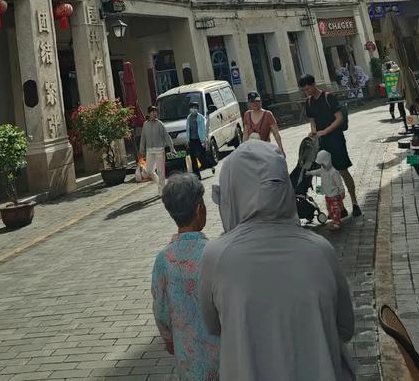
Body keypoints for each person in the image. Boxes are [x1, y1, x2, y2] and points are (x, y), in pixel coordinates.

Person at [199, 140, 355, 380]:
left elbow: (213, 326)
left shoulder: (216, 256)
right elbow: (345, 327)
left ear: (232, 191)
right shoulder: (321, 250)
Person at [151, 174, 220, 380]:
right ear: (200, 209)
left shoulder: (164, 259)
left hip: (187, 357)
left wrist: (169, 341)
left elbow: (160, 309)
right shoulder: (215, 253)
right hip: (222, 356)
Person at [299, 73, 361, 218]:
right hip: (321, 143)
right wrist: (314, 132)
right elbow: (312, 121)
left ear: (314, 84)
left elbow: (339, 118)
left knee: (343, 170)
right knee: (327, 173)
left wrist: (325, 131)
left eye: (308, 89)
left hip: (336, 139)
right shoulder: (309, 102)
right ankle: (340, 208)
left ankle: (354, 202)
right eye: (304, 90)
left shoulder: (328, 97)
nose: (307, 92)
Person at [140, 104, 178, 196]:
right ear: (149, 113)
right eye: (153, 112)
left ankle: (162, 190)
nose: (155, 113)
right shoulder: (145, 124)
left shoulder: (159, 124)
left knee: (161, 171)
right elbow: (143, 138)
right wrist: (141, 149)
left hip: (159, 150)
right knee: (149, 171)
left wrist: (172, 148)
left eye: (156, 112)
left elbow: (166, 136)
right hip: (149, 150)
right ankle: (160, 184)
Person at [317, 149, 346, 231]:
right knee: (329, 209)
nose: (322, 166)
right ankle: (334, 220)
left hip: (334, 195)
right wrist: (310, 173)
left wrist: (342, 191)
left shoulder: (334, 172)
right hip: (328, 195)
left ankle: (337, 223)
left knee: (335, 209)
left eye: (322, 164)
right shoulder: (323, 170)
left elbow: (339, 183)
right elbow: (318, 173)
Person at [185, 100, 212, 177]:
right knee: (193, 158)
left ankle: (210, 165)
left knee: (201, 156)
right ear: (190, 109)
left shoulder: (201, 117)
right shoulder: (188, 118)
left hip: (199, 140)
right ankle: (197, 175)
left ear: (197, 109)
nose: (194, 109)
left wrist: (203, 140)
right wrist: (187, 140)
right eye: (192, 107)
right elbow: (187, 130)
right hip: (191, 140)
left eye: (195, 108)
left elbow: (203, 129)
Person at [383, 59, 408, 131]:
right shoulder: (398, 74)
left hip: (392, 93)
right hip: (398, 92)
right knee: (399, 103)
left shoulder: (386, 74)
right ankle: (401, 114)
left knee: (393, 104)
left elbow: (384, 83)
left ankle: (394, 114)